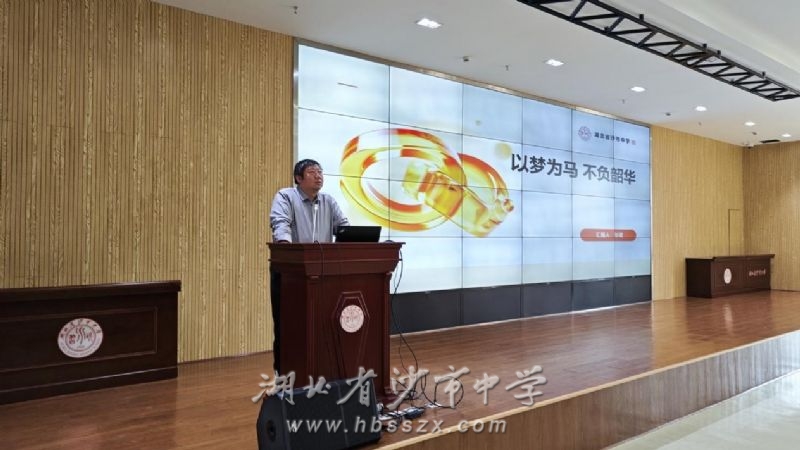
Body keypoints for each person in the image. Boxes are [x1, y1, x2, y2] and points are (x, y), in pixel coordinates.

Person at [268, 159, 349, 374]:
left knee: (324, 324)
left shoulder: (328, 201)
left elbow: (344, 228)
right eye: (312, 172)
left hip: (323, 273)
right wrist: (285, 245)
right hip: (290, 272)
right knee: (288, 326)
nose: (318, 176)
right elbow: (280, 223)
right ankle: (285, 375)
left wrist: (353, 241)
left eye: (320, 172)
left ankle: (322, 372)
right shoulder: (286, 196)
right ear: (298, 178)